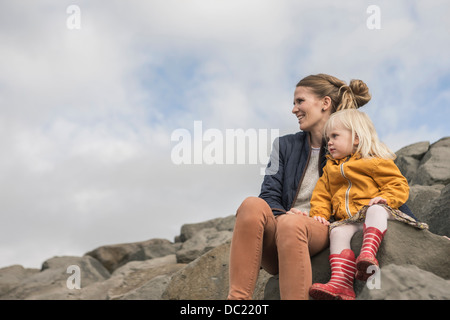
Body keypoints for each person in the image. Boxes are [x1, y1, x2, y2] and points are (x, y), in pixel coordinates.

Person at [227, 73, 377, 300]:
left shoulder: (349, 145)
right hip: (280, 231)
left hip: (321, 230)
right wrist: (284, 215)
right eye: (294, 103)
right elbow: (269, 194)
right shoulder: (284, 145)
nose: (294, 109)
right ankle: (237, 301)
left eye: (300, 101)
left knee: (292, 223)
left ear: (325, 103)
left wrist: (419, 226)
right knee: (251, 205)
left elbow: (383, 185)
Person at [308, 109, 428, 300]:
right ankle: (341, 283)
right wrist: (320, 213)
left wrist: (386, 198)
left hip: (382, 210)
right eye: (327, 137)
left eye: (335, 136)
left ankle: (368, 254)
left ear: (356, 138)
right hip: (352, 220)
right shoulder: (329, 171)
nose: (329, 142)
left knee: (375, 209)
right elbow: (321, 197)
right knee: (337, 231)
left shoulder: (372, 161)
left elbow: (398, 184)